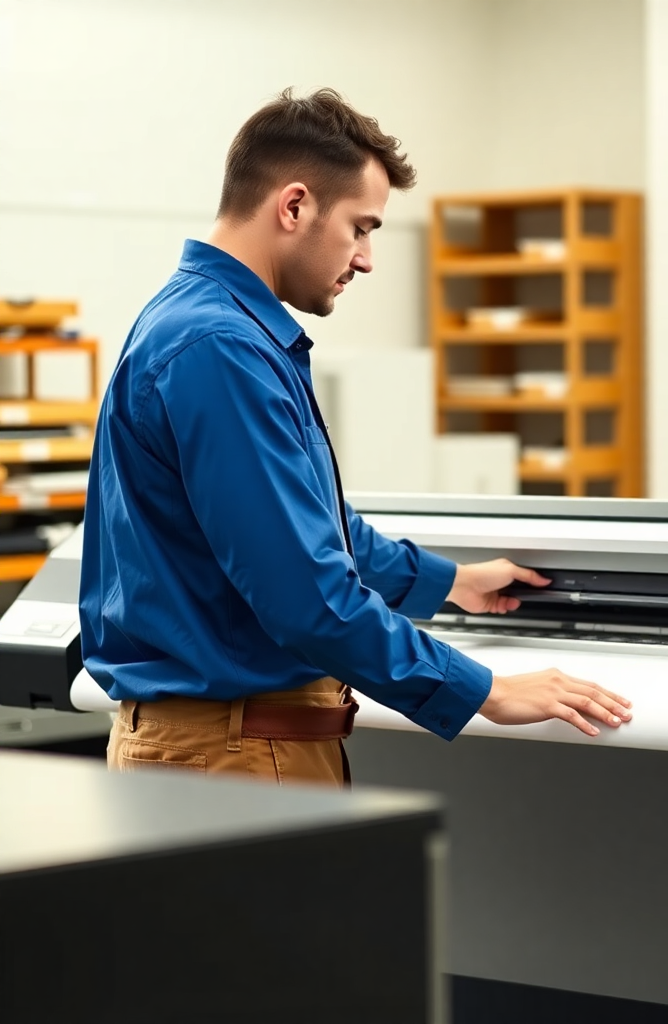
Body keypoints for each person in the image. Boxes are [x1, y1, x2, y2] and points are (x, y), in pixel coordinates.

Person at [79, 87, 632, 786]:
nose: (367, 258)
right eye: (361, 227)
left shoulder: (204, 323)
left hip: (229, 746)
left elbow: (305, 531)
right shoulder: (220, 348)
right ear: (294, 206)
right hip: (235, 755)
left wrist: (449, 582)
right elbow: (305, 597)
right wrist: (486, 690)